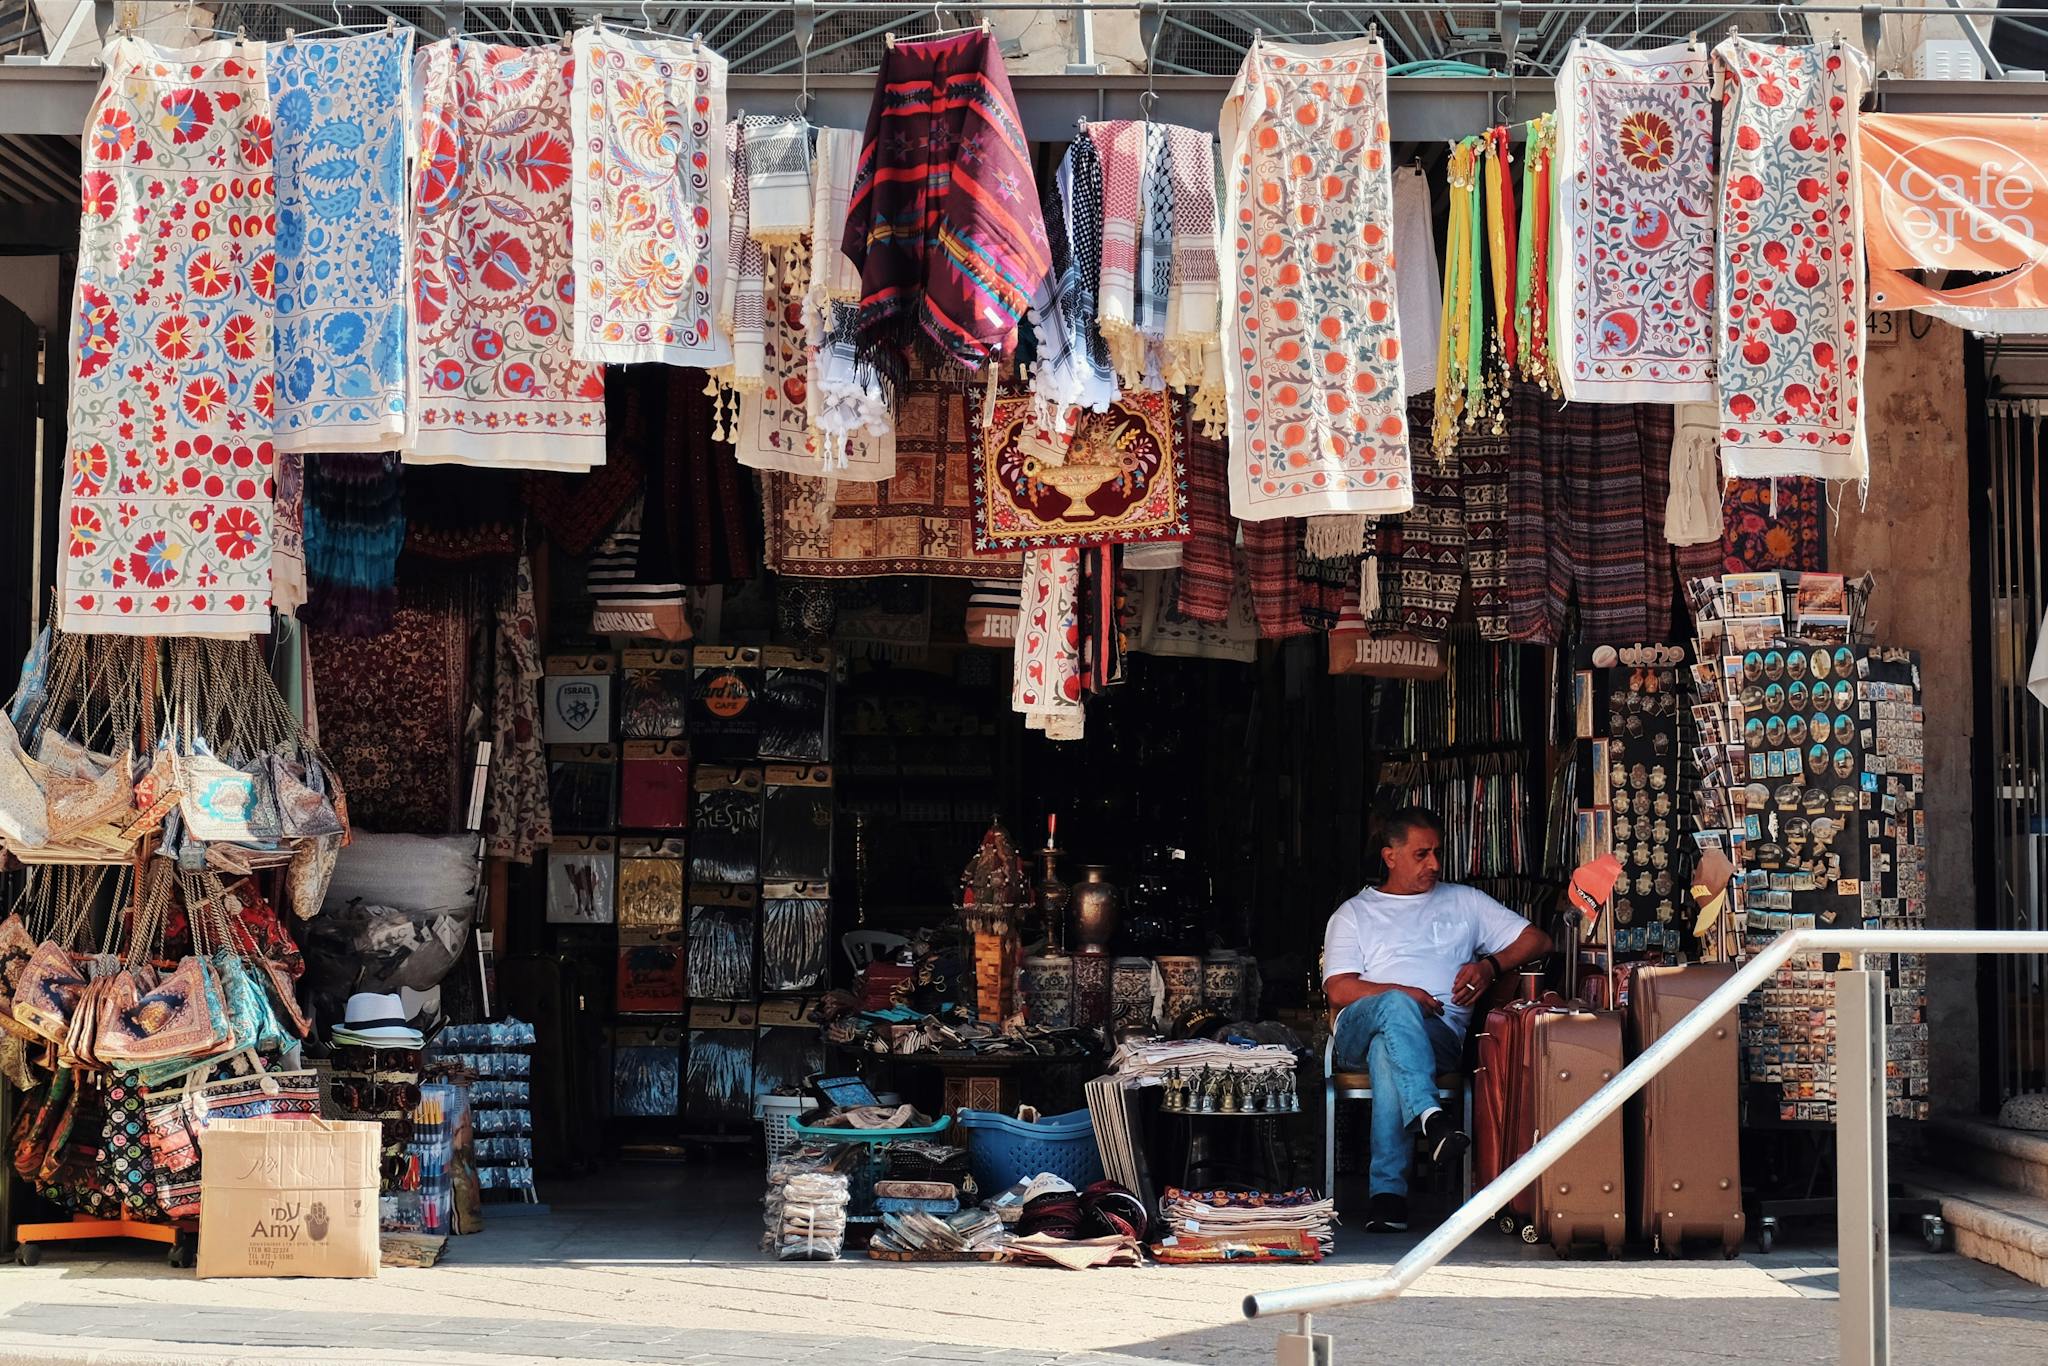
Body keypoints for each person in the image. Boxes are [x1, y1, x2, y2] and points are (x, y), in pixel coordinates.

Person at [1323, 806, 1553, 1232]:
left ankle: (1389, 1194)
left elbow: (1538, 939)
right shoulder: (1355, 913)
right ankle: (1430, 1116)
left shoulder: (1465, 901)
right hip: (1359, 1026)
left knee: (1386, 1053)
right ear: (1390, 857)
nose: (1435, 864)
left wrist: (1490, 966)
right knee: (1394, 1009)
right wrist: (1404, 994)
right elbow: (1338, 988)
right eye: (1421, 854)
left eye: (1437, 853)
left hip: (1438, 1035)